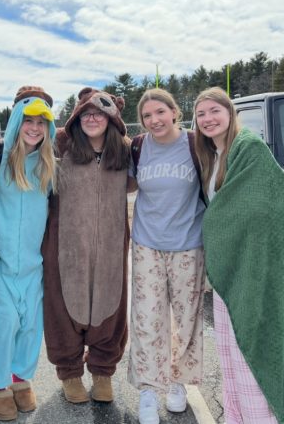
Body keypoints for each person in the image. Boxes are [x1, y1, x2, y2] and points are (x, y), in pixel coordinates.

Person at [193, 86, 284, 424]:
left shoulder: (248, 148)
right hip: (232, 267)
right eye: (201, 114)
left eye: (214, 110)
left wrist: (218, 231)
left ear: (230, 113)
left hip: (254, 270)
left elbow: (273, 201)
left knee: (253, 348)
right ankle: (238, 416)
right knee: (231, 350)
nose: (207, 119)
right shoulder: (211, 156)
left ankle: (262, 417)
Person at [41, 87, 131, 404]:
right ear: (77, 118)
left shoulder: (124, 153)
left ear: (112, 118)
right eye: (86, 113)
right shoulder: (61, 147)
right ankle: (70, 373)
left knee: (110, 309)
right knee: (62, 312)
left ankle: (103, 372)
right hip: (65, 249)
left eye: (100, 113)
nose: (92, 118)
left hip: (110, 249)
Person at [127, 88, 206, 424]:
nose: (154, 120)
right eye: (147, 116)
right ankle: (148, 389)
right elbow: (127, 185)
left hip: (189, 244)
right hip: (147, 244)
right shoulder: (139, 147)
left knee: (186, 319)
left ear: (175, 112)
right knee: (146, 320)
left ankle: (177, 382)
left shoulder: (195, 144)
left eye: (160, 112)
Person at [0, 86, 57, 421]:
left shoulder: (49, 166)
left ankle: (20, 380)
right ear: (16, 121)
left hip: (32, 263)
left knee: (30, 324)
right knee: (3, 322)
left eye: (42, 122)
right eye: (29, 120)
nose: (35, 128)